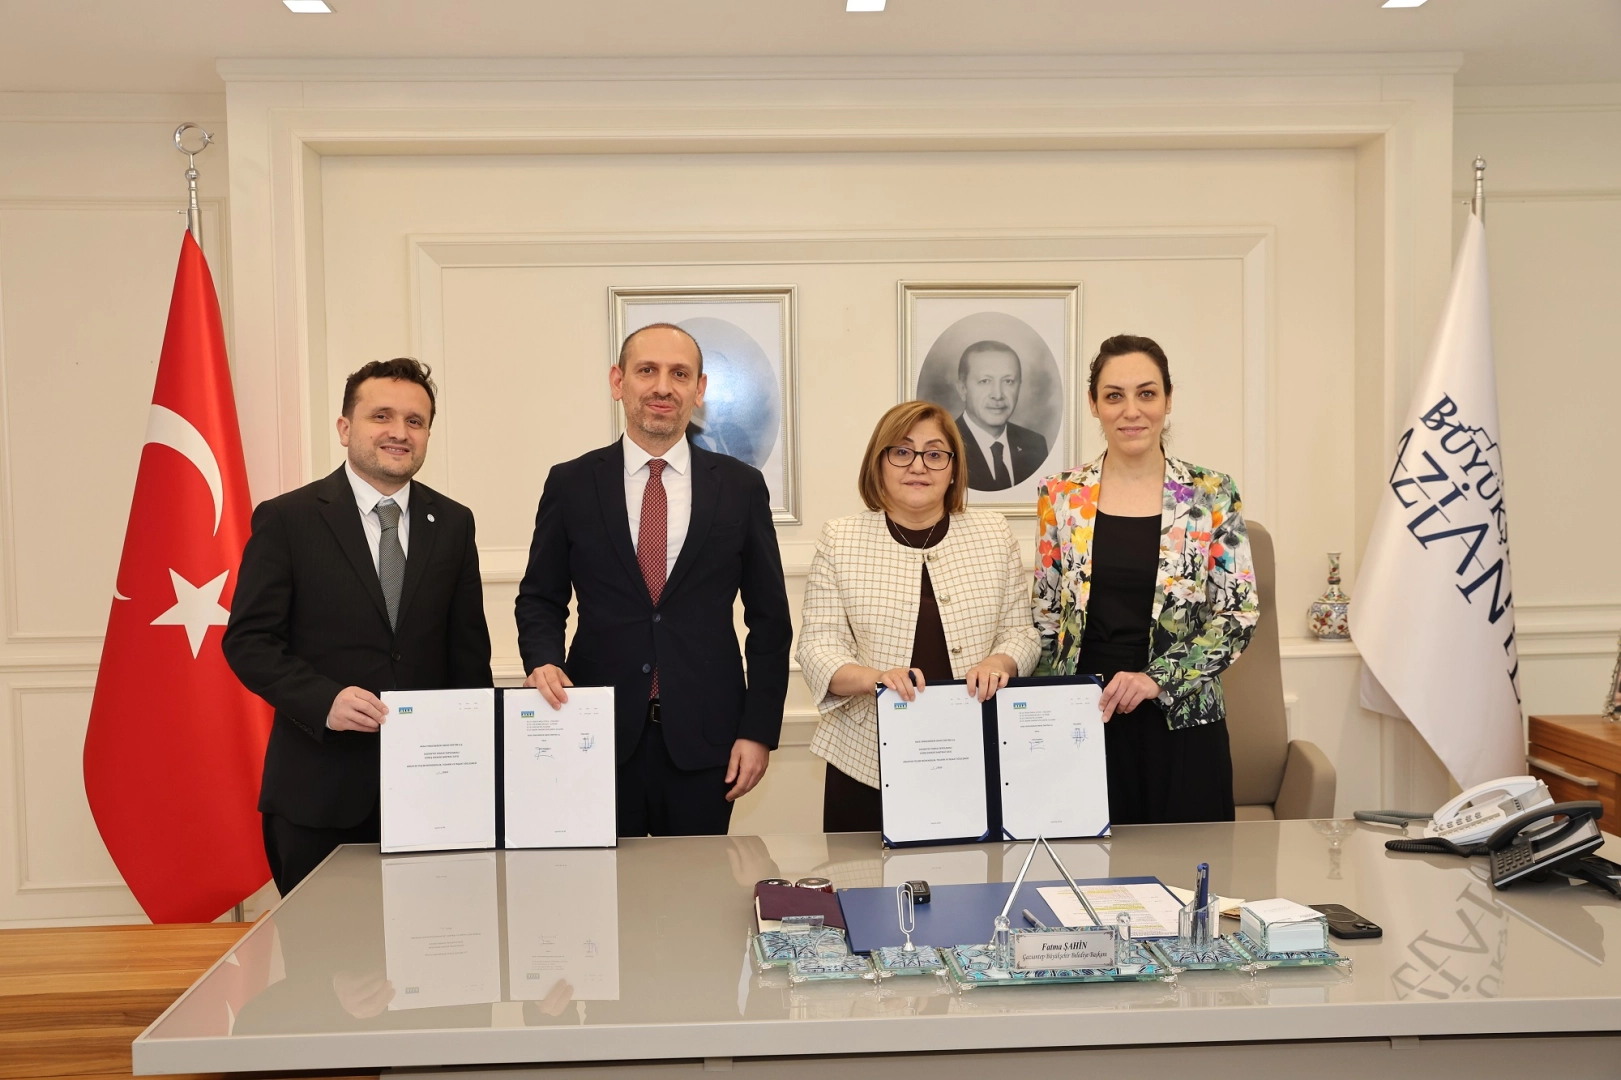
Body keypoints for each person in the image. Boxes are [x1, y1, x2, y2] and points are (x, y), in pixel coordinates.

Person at [223, 358, 492, 894]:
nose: (399, 432)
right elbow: (249, 641)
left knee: (435, 943)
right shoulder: (288, 519)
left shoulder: (453, 523)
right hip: (319, 795)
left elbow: (468, 656)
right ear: (345, 428)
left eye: (415, 421)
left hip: (433, 796)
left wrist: (480, 770)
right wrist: (323, 699)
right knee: (324, 949)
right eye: (381, 416)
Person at [515, 323, 792, 837]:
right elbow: (539, 597)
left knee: (696, 884)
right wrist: (543, 659)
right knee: (603, 884)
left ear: (699, 389)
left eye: (679, 374)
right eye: (647, 370)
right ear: (618, 381)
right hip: (592, 732)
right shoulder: (571, 482)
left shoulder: (741, 487)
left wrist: (759, 731)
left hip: (709, 742)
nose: (663, 387)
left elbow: (770, 622)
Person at [1032, 334, 1258, 825]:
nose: (1131, 411)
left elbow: (1237, 614)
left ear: (1168, 399)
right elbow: (1046, 617)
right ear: (1094, 404)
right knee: (1086, 868)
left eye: (1147, 393)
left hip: (1182, 720)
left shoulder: (1212, 492)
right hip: (1084, 718)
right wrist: (1043, 718)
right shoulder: (1061, 494)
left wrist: (1157, 679)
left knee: (1191, 868)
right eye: (1114, 395)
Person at [798, 400, 1041, 833]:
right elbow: (817, 646)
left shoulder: (993, 532)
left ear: (953, 468)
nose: (918, 466)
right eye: (902, 451)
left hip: (976, 751)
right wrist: (875, 678)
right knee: (860, 875)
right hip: (866, 760)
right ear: (879, 463)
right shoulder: (841, 538)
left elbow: (1021, 633)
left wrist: (999, 662)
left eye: (934, 453)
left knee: (975, 874)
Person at [953, 340, 1049, 490]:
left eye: (1008, 381)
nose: (998, 395)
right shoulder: (946, 445)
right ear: (963, 389)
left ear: (1019, 386)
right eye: (985, 381)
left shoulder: (1035, 444)